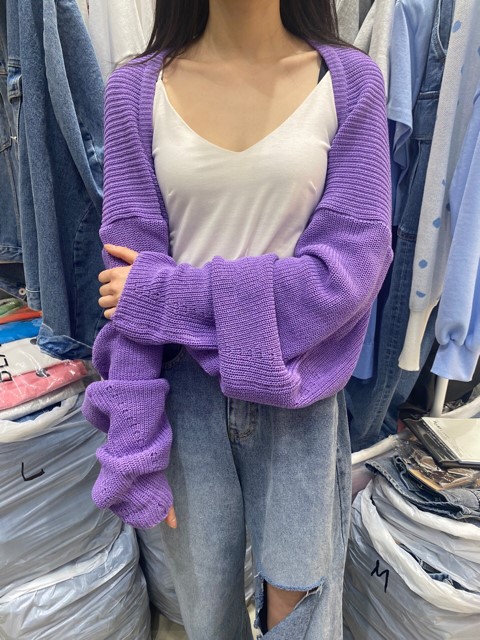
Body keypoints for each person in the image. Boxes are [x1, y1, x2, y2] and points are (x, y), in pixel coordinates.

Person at [82, 0, 393, 637]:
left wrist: (169, 294)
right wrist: (134, 443)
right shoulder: (135, 89)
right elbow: (125, 286)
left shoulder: (349, 82)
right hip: (183, 396)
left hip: (299, 393)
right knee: (205, 613)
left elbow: (348, 273)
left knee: (301, 611)